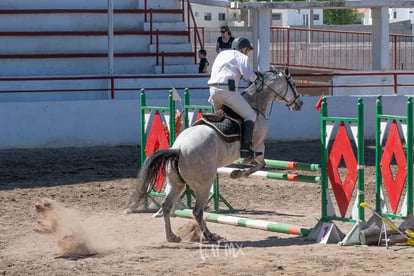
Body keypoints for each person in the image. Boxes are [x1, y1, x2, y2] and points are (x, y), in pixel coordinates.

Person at [208, 37, 261, 158]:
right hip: (227, 91)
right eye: (247, 50)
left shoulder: (221, 54)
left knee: (222, 117)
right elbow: (248, 74)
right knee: (250, 115)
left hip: (213, 91)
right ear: (243, 49)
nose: (247, 52)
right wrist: (256, 78)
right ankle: (245, 149)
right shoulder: (240, 56)